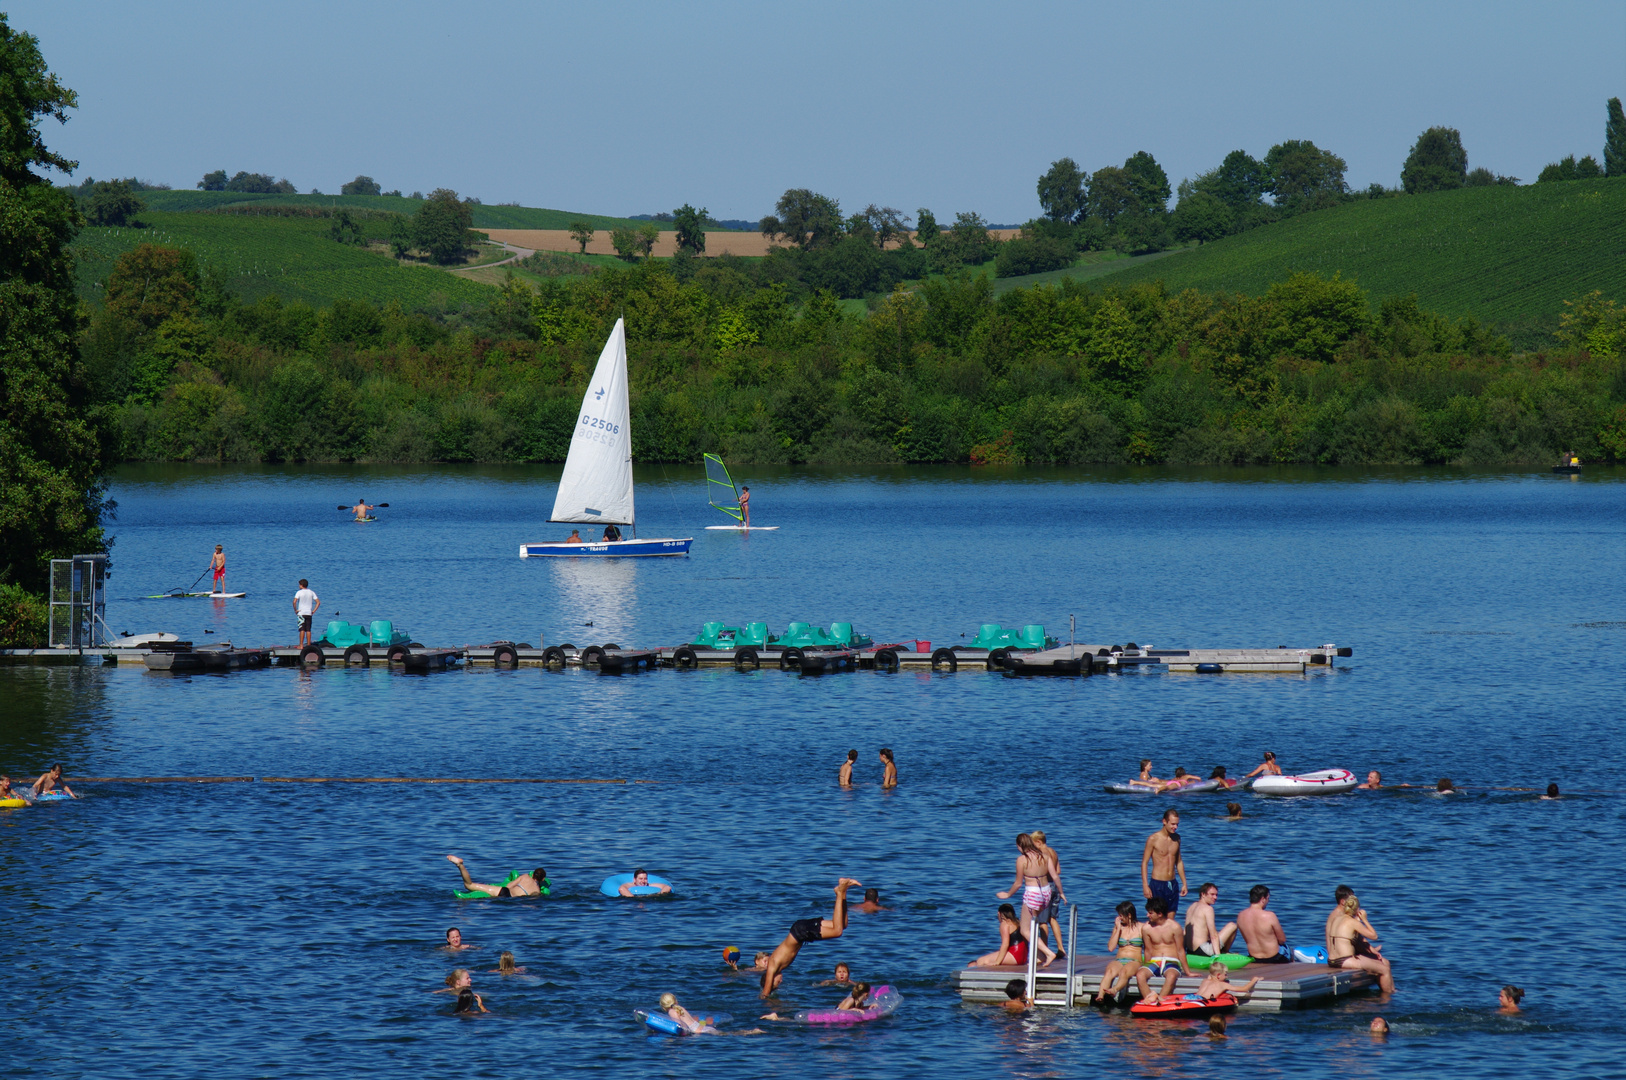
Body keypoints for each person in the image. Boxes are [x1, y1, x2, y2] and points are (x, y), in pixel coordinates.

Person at [759, 878, 862, 998]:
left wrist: (762, 1002)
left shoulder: (772, 967)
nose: (781, 981)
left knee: (837, 931)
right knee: (841, 925)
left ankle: (839, 892)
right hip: (800, 931)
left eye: (777, 982)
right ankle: (843, 891)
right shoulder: (776, 966)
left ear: (770, 979)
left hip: (800, 932)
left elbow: (765, 993)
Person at [997, 833, 1065, 947]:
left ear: (1020, 845)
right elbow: (1056, 875)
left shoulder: (1022, 859)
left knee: (1026, 929)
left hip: (1033, 893)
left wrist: (1008, 895)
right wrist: (1062, 893)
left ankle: (1046, 952)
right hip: (1047, 892)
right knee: (1041, 922)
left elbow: (1018, 883)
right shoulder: (1046, 855)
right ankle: (1047, 952)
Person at [1327, 893, 1395, 993]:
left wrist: (1373, 951)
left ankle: (1393, 989)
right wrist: (1364, 920)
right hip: (1345, 960)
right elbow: (1374, 936)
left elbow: (1355, 938)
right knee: (1384, 969)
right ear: (1356, 909)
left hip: (1332, 960)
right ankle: (1387, 997)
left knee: (1383, 962)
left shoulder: (1337, 919)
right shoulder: (1352, 922)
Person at [1133, 897, 1190, 1005]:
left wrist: (1187, 972)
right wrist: (1146, 967)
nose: (1147, 915)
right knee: (1140, 975)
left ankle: (1160, 1001)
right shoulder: (1146, 928)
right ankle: (1150, 1001)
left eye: (1150, 913)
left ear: (1160, 914)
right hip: (1155, 961)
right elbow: (1148, 950)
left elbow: (1180, 950)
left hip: (1171, 961)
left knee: (1171, 976)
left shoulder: (1175, 927)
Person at [1140, 808, 1187, 915]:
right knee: (1156, 918)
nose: (1175, 827)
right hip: (1157, 884)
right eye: (1173, 824)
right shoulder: (1153, 839)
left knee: (1170, 920)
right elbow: (1144, 863)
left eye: (1177, 824)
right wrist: (1145, 885)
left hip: (1172, 883)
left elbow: (1179, 862)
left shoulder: (1177, 838)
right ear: (1164, 821)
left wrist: (1184, 883)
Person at [1099, 901, 1145, 1005]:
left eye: (1121, 915)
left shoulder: (1142, 927)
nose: (1119, 918)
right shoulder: (1118, 928)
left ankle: (1115, 990)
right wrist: (1118, 928)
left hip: (1134, 961)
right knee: (1110, 971)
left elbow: (1148, 947)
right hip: (1119, 959)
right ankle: (1100, 995)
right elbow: (1111, 948)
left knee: (1124, 972)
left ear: (1129, 915)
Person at [973, 903, 1048, 967]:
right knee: (989, 959)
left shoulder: (1005, 924)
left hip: (1014, 955)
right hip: (1023, 956)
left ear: (999, 914)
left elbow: (1005, 944)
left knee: (981, 961)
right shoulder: (1019, 922)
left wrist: (997, 962)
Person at [1030, 830, 1064, 958]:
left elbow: (1042, 871)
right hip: (1055, 886)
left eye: (1033, 844)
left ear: (1039, 842)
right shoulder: (1053, 852)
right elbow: (1058, 871)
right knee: (1052, 919)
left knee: (1042, 921)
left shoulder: (1042, 853)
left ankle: (1044, 952)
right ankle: (1061, 948)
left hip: (1045, 887)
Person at [446, 855, 547, 898]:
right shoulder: (537, 891)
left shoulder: (525, 876)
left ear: (532, 874)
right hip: (511, 899)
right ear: (542, 879)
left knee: (469, 885)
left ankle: (460, 865)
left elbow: (509, 885)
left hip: (504, 891)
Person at [1237, 884, 1290, 963]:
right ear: (1263, 899)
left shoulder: (1240, 916)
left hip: (1254, 958)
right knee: (1289, 950)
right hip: (1274, 958)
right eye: (1268, 898)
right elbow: (1282, 940)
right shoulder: (1270, 915)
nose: (1268, 901)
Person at [1184, 883, 1238, 957]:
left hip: (1190, 950)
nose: (1215, 897)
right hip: (1203, 951)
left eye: (1216, 895)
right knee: (1232, 926)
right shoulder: (1208, 909)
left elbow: (1186, 932)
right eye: (1212, 894)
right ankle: (1225, 952)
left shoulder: (1191, 907)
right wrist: (1218, 956)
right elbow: (1214, 935)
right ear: (1203, 894)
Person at [1195, 965, 1259, 1002]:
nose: (1227, 977)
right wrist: (1254, 980)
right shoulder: (1222, 984)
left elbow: (1210, 976)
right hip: (1204, 1001)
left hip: (1194, 998)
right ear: (1218, 975)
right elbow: (1245, 989)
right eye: (1225, 974)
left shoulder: (1205, 981)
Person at [292, 579, 320, 648]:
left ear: (301, 585)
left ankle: (301, 645)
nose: (299, 586)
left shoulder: (299, 592)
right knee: (308, 629)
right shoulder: (311, 592)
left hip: (301, 613)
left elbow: (294, 602)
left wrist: (295, 610)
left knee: (302, 629)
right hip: (309, 613)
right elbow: (318, 602)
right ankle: (308, 645)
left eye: (299, 585)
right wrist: (313, 611)